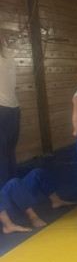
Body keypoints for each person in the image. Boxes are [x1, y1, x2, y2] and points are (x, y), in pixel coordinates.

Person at [0, 169, 74, 230]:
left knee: (36, 173)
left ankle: (56, 201)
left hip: (13, 196)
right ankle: (32, 217)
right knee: (14, 183)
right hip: (6, 208)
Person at [0, 37, 20, 187]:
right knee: (10, 151)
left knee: (2, 154)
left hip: (2, 109)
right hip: (13, 110)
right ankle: (13, 185)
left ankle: (5, 189)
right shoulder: (9, 58)